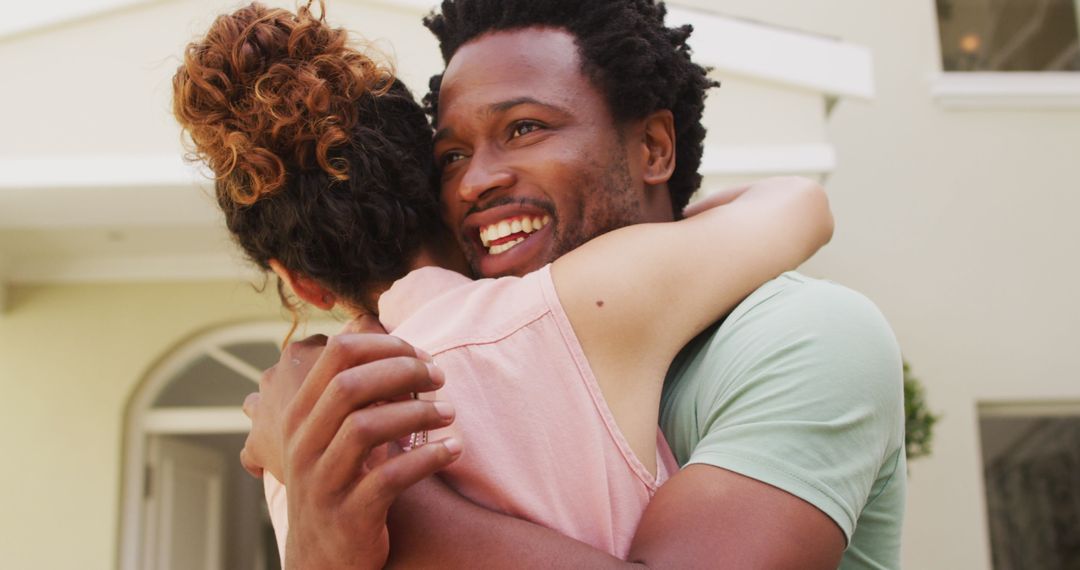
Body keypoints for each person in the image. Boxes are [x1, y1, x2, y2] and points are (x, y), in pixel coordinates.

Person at [244, 0, 907, 569]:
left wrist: (371, 493)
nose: (475, 182)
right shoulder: (439, 367)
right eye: (451, 156)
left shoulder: (803, 335)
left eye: (524, 128)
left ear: (652, 148)